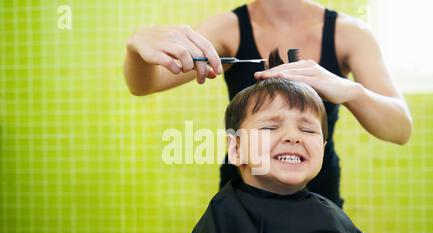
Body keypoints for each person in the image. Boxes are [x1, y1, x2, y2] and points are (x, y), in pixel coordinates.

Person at [124, 0, 412, 207]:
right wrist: (137, 49)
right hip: (242, 201)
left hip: (319, 200)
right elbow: (144, 84)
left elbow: (400, 130)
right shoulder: (227, 28)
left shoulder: (350, 34)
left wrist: (350, 91)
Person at [165, 78, 392, 233]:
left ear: (322, 148)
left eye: (308, 130)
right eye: (271, 127)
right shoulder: (223, 220)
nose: (293, 137)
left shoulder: (338, 227)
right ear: (235, 148)